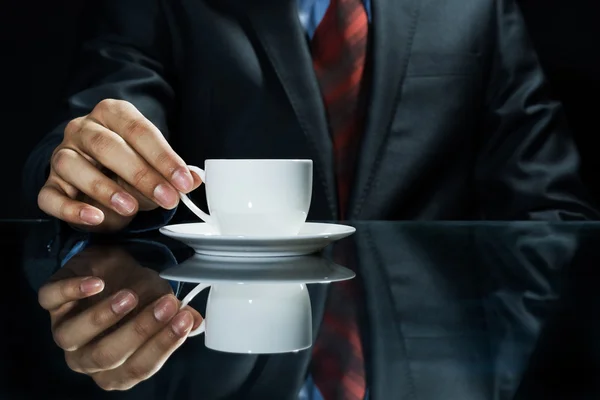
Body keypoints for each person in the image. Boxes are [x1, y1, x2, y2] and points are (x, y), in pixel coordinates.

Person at [23, 0, 599, 233]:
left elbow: (550, 209)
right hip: (210, 348)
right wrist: (89, 174)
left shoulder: (478, 8)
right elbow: (106, 118)